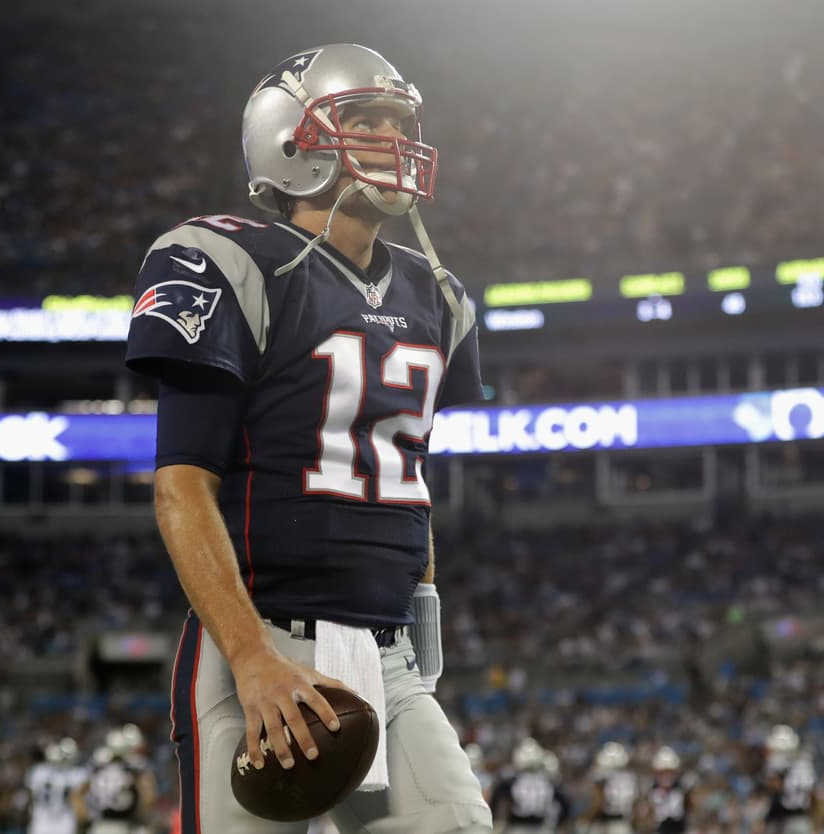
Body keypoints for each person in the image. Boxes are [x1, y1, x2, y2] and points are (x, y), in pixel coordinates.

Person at [124, 43, 487, 834]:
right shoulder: (228, 261)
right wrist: (251, 656)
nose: (394, 141)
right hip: (264, 640)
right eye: (366, 122)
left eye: (400, 122)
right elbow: (181, 485)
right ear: (292, 141)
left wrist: (423, 603)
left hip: (387, 657)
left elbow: (406, 468)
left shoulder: (438, 294)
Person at [25, 737, 86, 834]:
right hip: (65, 818)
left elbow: (31, 796)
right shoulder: (77, 774)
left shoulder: (38, 771)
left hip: (41, 817)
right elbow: (77, 800)